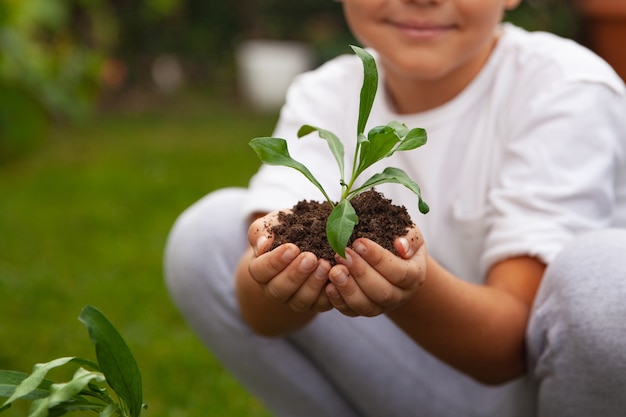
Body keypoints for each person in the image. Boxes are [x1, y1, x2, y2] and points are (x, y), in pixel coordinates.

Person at [164, 0, 626, 416]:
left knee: (606, 274)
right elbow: (261, 312)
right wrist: (278, 267)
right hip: (412, 380)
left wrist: (410, 284)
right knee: (207, 235)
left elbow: (510, 353)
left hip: (534, 392)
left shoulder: (564, 88)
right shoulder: (326, 93)